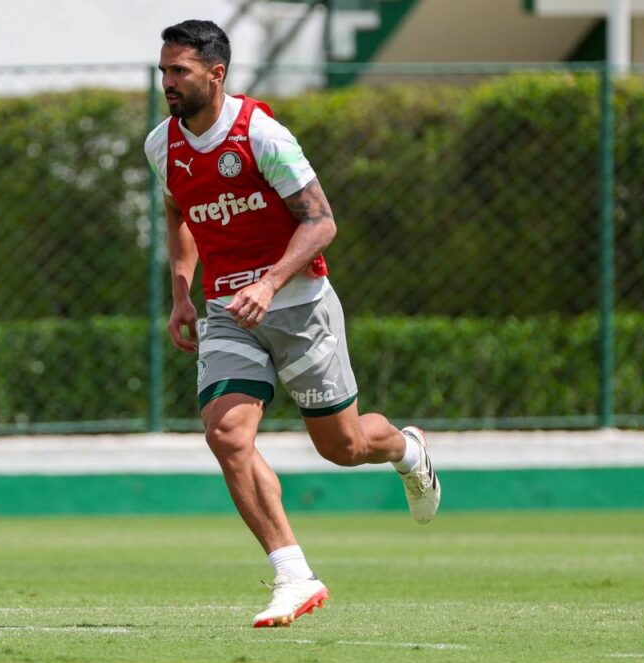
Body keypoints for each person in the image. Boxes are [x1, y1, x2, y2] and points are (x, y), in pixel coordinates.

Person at [144, 19, 440, 629]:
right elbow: (179, 211)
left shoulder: (262, 135)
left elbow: (321, 221)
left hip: (300, 305)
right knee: (226, 436)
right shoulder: (161, 146)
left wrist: (270, 281)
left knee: (345, 446)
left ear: (215, 74)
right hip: (229, 313)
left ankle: (407, 450)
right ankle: (294, 575)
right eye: (164, 70)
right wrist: (182, 294)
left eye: (180, 71)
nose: (167, 81)